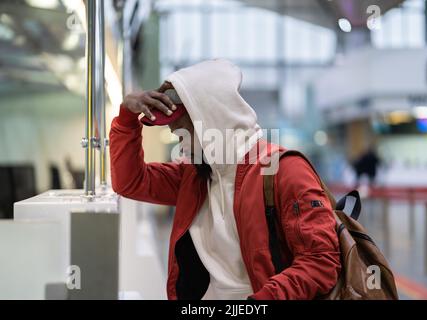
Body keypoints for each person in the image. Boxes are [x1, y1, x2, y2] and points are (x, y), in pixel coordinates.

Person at [109, 59, 340, 300]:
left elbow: (320, 261)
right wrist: (126, 119)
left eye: (181, 132)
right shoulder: (195, 175)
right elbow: (130, 181)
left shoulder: (285, 171)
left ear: (211, 119)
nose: (179, 143)